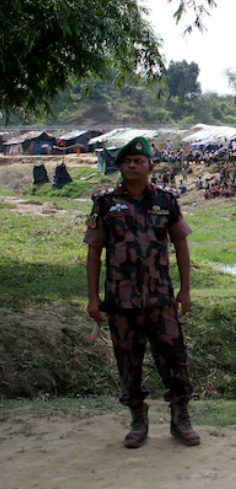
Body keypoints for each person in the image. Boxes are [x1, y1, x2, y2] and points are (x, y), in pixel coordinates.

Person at [84, 137, 200, 449]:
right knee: (128, 361)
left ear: (150, 165)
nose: (132, 165)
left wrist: (185, 290)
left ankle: (181, 418)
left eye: (138, 161)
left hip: (161, 299)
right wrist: (94, 298)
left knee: (175, 358)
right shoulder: (105, 203)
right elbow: (94, 252)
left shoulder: (166, 201)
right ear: (119, 167)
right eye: (127, 162)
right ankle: (137, 419)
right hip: (120, 301)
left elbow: (181, 244)